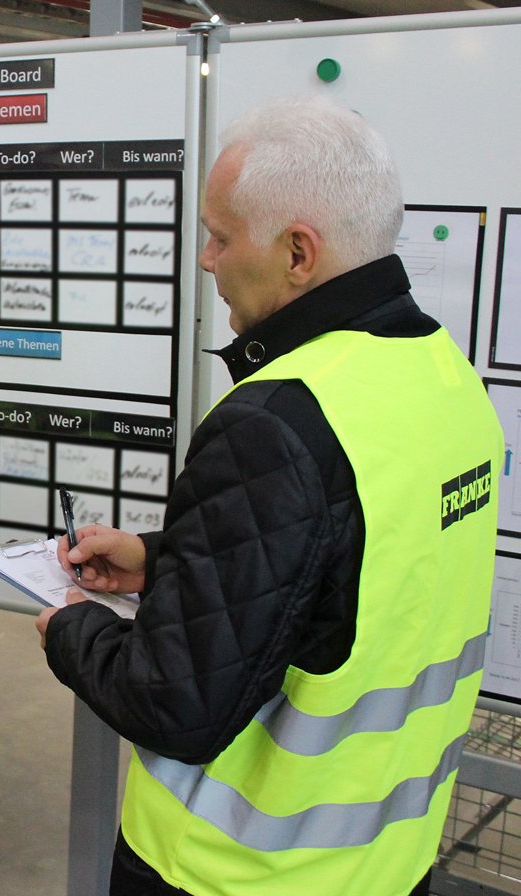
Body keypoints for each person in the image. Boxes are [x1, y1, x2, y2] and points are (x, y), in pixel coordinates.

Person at [36, 95, 501, 896]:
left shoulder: (275, 418)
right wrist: (164, 559)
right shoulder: (444, 377)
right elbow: (348, 574)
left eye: (220, 236)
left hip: (231, 872)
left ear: (297, 252)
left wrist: (71, 629)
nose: (207, 259)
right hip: (387, 864)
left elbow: (175, 704)